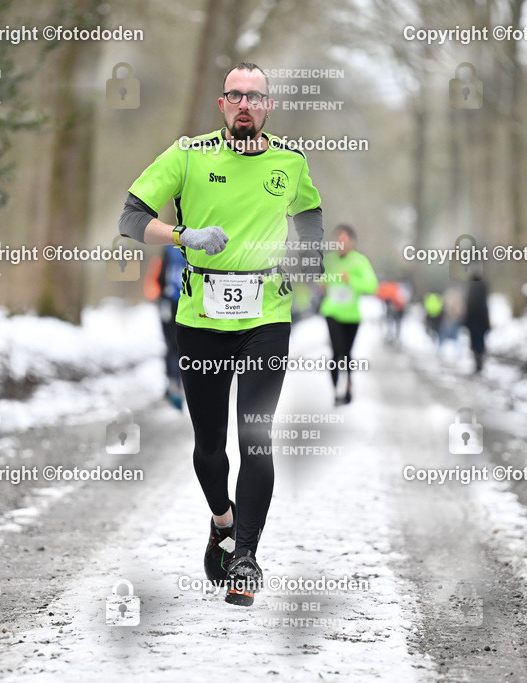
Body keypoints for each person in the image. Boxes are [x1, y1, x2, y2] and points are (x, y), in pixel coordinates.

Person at [118, 63, 323, 606]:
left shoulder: (291, 161)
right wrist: (183, 235)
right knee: (210, 447)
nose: (245, 105)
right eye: (235, 95)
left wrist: (307, 262)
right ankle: (222, 522)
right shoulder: (188, 155)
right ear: (222, 104)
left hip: (266, 316)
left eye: (255, 97)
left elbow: (310, 216)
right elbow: (131, 219)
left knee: (256, 436)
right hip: (200, 318)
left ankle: (246, 557)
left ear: (268, 106)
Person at [319, 225, 377, 405]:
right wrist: (323, 283)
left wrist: (350, 279)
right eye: (338, 239)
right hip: (332, 312)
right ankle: (336, 390)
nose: (341, 243)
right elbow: (320, 280)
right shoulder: (329, 260)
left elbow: (372, 286)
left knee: (346, 353)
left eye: (344, 239)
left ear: (352, 241)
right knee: (337, 351)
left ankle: (349, 387)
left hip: (352, 316)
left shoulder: (360, 261)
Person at [144, 245, 187, 409]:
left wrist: (162, 297)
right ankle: (182, 383)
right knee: (185, 344)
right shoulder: (198, 246)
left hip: (170, 301)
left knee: (171, 345)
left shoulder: (169, 248)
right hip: (189, 302)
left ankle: (173, 383)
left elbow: (161, 277)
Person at [464, 272, 491, 373]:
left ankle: (478, 361)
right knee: (480, 342)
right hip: (482, 320)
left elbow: (469, 306)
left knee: (475, 342)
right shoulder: (483, 289)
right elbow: (485, 307)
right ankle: (480, 360)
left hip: (473, 320)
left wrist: (466, 321)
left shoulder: (472, 289)